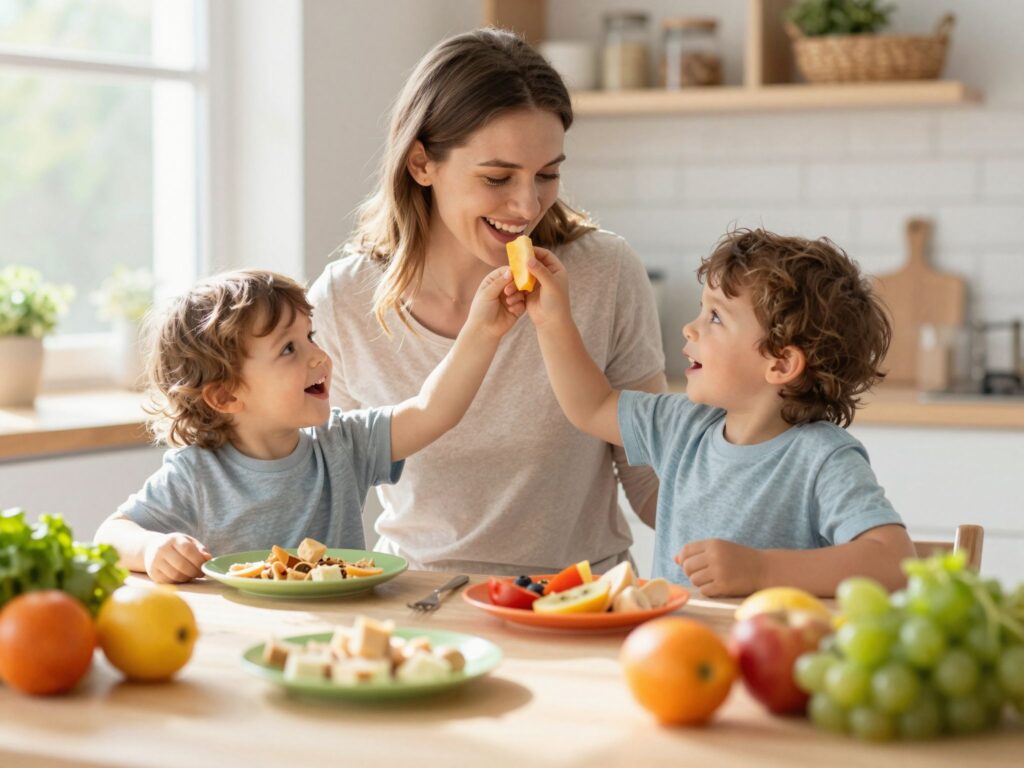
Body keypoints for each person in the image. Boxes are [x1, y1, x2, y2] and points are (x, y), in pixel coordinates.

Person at [308, 28, 666, 576]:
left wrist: (762, 547)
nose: (527, 206)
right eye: (498, 177)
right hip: (420, 603)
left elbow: (649, 478)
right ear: (421, 163)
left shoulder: (604, 272)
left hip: (579, 601)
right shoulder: (344, 299)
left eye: (548, 174)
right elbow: (318, 485)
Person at [524, 228, 916, 597]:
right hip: (672, 650)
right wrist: (551, 319)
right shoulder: (682, 426)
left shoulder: (822, 457)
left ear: (780, 364)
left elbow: (895, 561)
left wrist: (761, 570)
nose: (689, 329)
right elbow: (591, 406)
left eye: (715, 317)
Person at [94, 267, 522, 583]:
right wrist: (152, 548)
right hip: (245, 641)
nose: (318, 357)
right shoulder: (197, 473)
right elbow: (110, 535)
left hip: (341, 635)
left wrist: (482, 331)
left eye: (311, 337)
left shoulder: (342, 443)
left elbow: (433, 411)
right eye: (288, 350)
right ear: (226, 396)